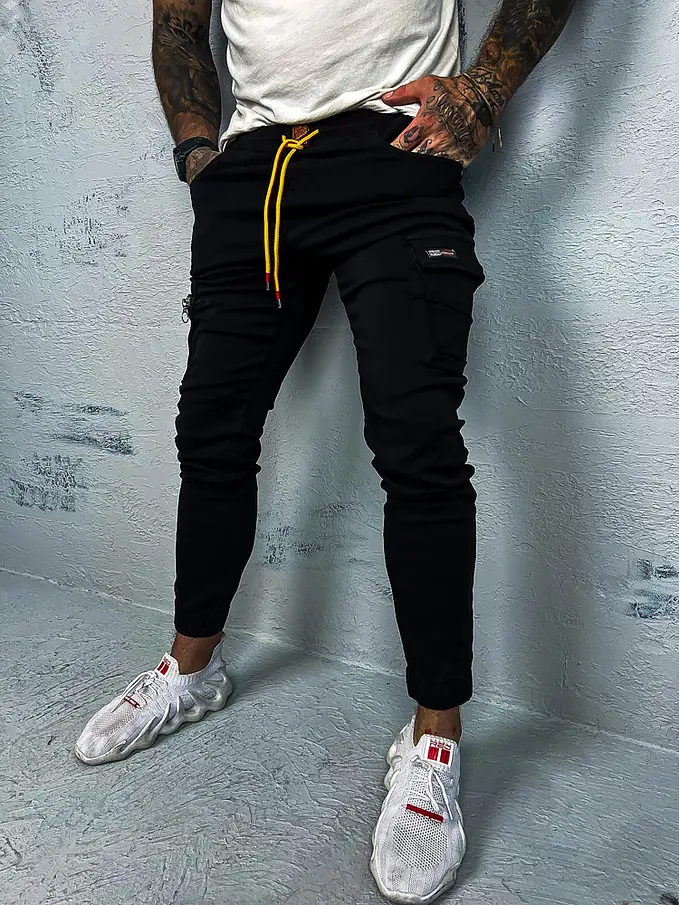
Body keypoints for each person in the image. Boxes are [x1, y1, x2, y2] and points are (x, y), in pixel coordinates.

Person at [75, 0, 575, 900]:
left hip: (394, 149)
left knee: (417, 445)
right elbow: (179, 24)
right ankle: (191, 669)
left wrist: (483, 91)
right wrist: (198, 152)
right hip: (253, 174)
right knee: (211, 432)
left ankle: (433, 737)